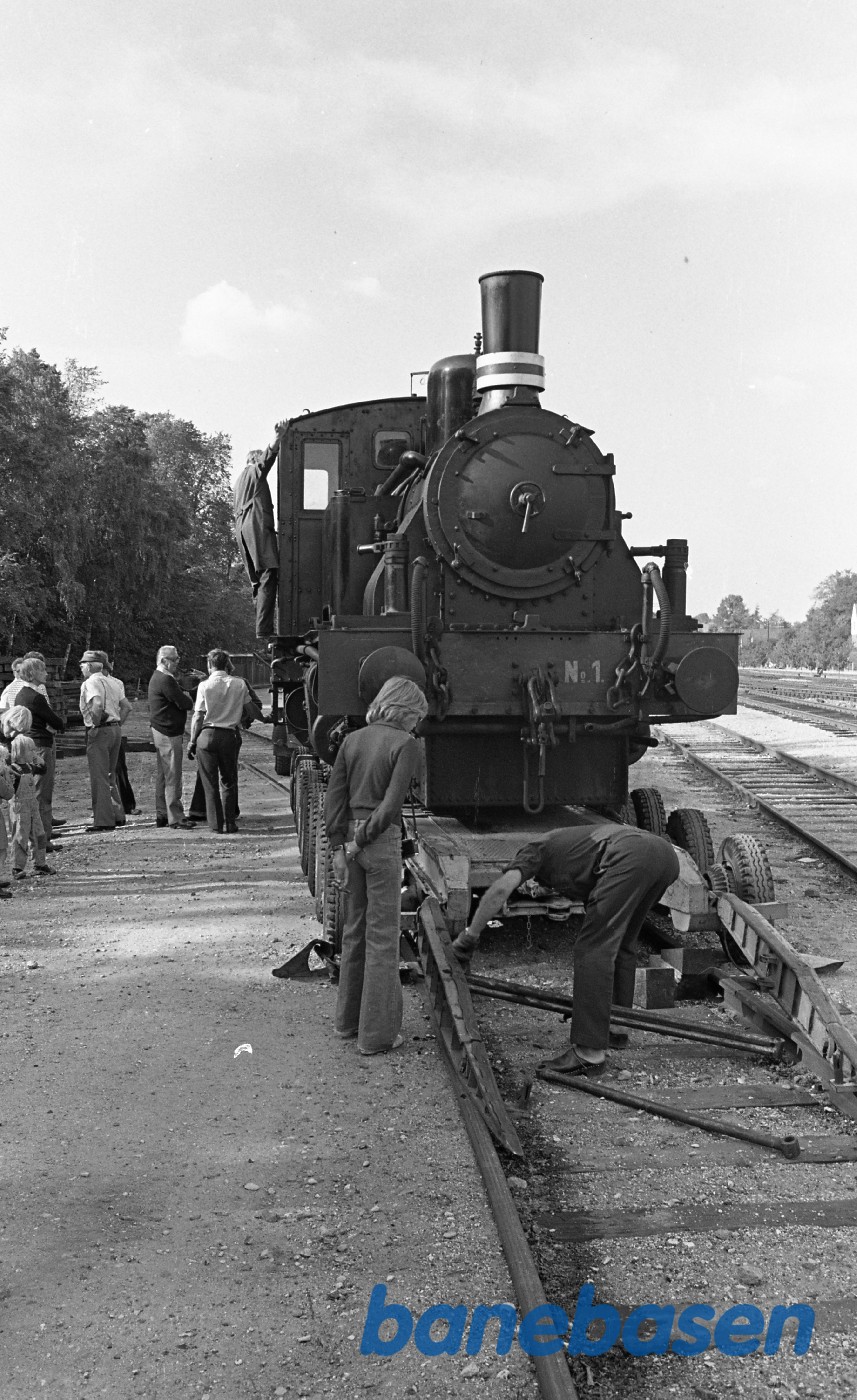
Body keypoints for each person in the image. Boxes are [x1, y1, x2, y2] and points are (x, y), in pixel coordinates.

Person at [451, 815, 680, 1077]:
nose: (533, 890)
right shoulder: (571, 851)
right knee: (623, 941)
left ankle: (589, 1053)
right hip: (665, 857)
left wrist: (469, 936)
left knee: (593, 948)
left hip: (632, 857)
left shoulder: (534, 851)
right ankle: (617, 1027)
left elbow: (500, 890)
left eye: (530, 886)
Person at [324, 675, 428, 1056]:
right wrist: (359, 842)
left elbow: (333, 799)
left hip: (350, 842)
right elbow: (389, 808)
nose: (418, 723)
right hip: (377, 843)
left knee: (353, 931)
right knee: (383, 938)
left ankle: (347, 1023)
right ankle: (377, 1036)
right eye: (417, 715)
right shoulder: (406, 744)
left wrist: (339, 847)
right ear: (405, 711)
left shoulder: (352, 740)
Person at [188, 649, 252, 833]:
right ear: (227, 665)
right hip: (229, 736)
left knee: (210, 782)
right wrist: (264, 718)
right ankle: (230, 823)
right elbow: (251, 708)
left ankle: (216, 825)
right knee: (229, 780)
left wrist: (192, 741)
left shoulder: (204, 686)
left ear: (209, 665)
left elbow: (198, 716)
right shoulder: (239, 684)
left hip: (207, 736)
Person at [233, 422, 288, 639]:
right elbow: (267, 460)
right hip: (255, 529)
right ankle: (264, 629)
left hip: (244, 531)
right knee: (269, 573)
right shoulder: (251, 473)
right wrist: (278, 438)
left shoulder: (238, 482)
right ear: (253, 460)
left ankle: (262, 626)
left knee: (259, 580)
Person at [14, 656, 65, 853]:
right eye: (43, 670)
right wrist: (53, 725)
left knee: (34, 791)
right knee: (43, 794)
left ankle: (35, 837)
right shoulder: (36, 697)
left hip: (29, 743)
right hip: (41, 745)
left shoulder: (21, 695)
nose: (46, 673)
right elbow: (57, 721)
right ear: (33, 673)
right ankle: (43, 840)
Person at [78, 650, 132, 832]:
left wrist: (95, 724)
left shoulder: (91, 681)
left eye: (83, 664)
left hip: (100, 731)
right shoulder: (113, 682)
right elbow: (127, 706)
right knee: (110, 775)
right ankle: (117, 814)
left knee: (99, 777)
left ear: (91, 666)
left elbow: (98, 704)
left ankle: (103, 820)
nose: (81, 667)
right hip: (115, 729)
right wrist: (117, 723)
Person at [148, 645, 196, 829]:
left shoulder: (159, 677)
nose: (177, 663)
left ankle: (163, 813)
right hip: (168, 732)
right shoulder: (166, 680)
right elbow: (185, 703)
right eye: (174, 659)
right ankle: (176, 817)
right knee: (173, 776)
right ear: (164, 660)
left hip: (162, 730)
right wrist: (187, 695)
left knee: (164, 775)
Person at [8, 732, 52, 879]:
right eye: (31, 750)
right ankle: (17, 867)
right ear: (20, 752)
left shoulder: (30, 766)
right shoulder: (13, 769)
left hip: (33, 805)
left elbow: (43, 769)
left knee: (39, 834)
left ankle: (40, 863)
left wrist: (38, 759)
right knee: (20, 836)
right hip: (20, 807)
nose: (34, 753)